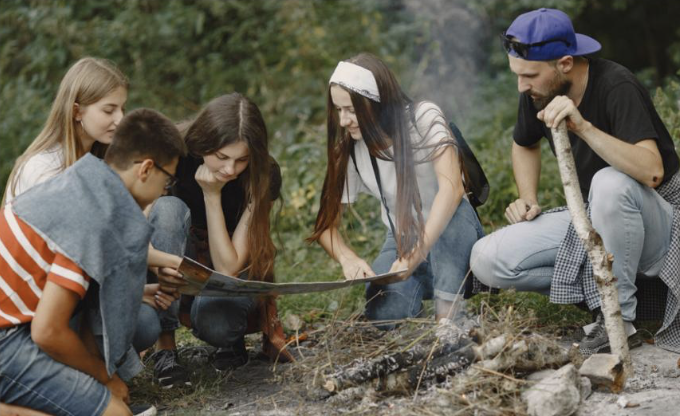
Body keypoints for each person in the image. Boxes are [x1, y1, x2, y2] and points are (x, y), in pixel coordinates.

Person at [470, 8, 680, 353]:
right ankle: (605, 293)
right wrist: (527, 196)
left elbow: (652, 171)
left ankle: (618, 321)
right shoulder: (538, 90)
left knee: (610, 183)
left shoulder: (617, 85)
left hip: (662, 225)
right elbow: (524, 144)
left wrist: (583, 127)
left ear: (565, 63)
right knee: (487, 259)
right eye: (517, 75)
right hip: (593, 217)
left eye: (529, 75)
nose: (521, 86)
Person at [0, 108, 187, 415]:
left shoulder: (87, 181)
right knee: (117, 413)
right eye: (168, 180)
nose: (164, 190)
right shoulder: (93, 216)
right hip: (7, 338)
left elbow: (82, 308)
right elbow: (47, 331)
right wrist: (104, 378)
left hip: (18, 323)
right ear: (146, 169)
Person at [308, 53, 484, 327]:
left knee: (451, 224)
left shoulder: (423, 118)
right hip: (402, 237)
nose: (343, 121)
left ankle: (447, 321)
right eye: (338, 110)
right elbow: (324, 227)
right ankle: (422, 298)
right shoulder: (350, 150)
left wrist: (416, 255)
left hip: (452, 227)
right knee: (383, 314)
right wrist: (347, 258)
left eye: (351, 110)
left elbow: (452, 190)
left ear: (377, 102)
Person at [141, 93, 292, 383]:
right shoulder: (172, 152)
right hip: (174, 257)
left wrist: (212, 196)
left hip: (227, 264)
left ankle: (229, 340)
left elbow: (228, 268)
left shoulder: (263, 173)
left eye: (241, 160)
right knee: (168, 209)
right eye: (222, 157)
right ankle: (165, 346)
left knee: (217, 324)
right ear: (202, 143)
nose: (230, 170)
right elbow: (141, 228)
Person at [3, 57, 128, 204]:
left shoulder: (104, 163)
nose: (120, 119)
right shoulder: (42, 169)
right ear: (77, 112)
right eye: (109, 110)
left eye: (122, 109)